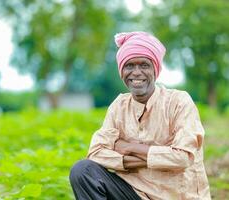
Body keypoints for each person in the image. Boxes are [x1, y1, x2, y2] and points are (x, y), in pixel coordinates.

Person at [69, 31, 211, 200]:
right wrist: (160, 157)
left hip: (177, 196)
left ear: (155, 70)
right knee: (82, 171)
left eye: (144, 65)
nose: (136, 72)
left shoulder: (178, 102)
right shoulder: (119, 106)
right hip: (133, 193)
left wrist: (130, 148)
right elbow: (96, 153)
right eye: (129, 66)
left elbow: (182, 157)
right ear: (122, 72)